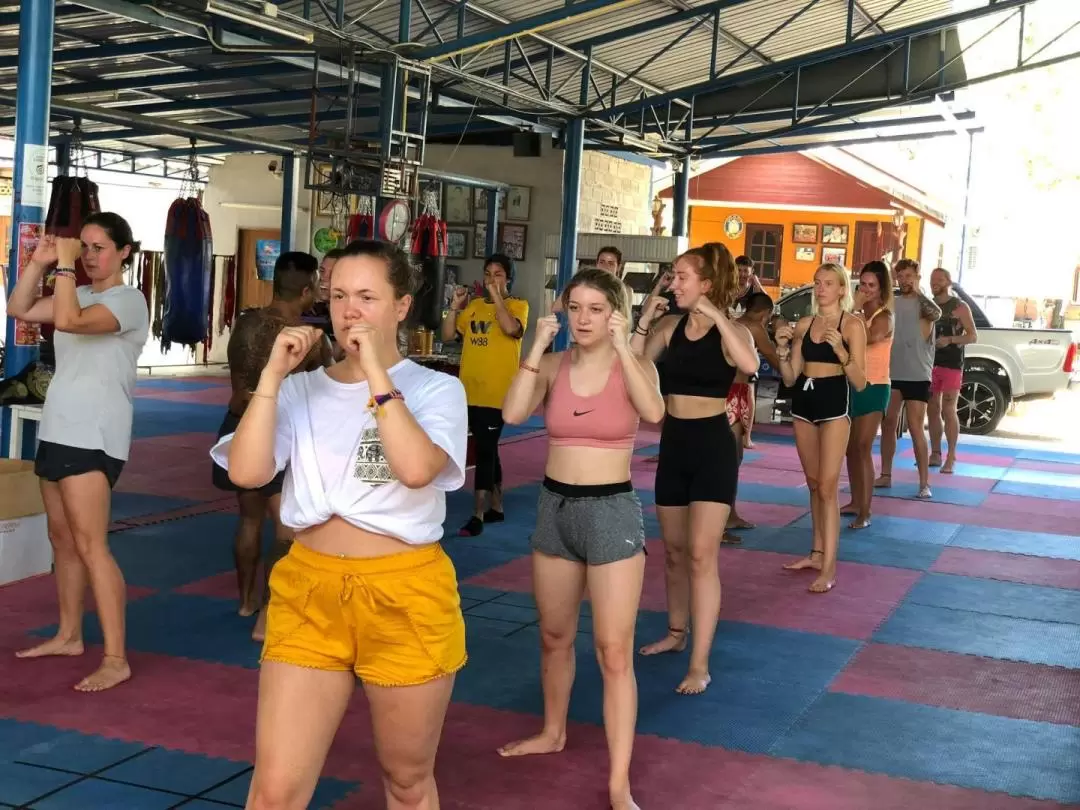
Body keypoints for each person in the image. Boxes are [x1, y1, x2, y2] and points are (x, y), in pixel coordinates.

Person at [210, 239, 469, 810]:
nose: (350, 310)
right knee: (274, 791)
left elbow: (417, 468)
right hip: (309, 589)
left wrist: (376, 369)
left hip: (405, 593)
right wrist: (273, 377)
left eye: (368, 297)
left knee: (405, 781)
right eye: (340, 296)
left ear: (401, 307)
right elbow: (248, 474)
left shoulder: (436, 389)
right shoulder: (301, 389)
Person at [497, 268, 664, 810]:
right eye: (576, 308)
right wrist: (536, 342)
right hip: (555, 508)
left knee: (614, 652)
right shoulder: (551, 363)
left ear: (614, 312)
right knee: (553, 636)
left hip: (612, 510)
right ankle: (552, 730)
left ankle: (619, 783)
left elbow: (656, 413)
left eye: (596, 308)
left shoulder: (632, 366)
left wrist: (625, 343)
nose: (584, 319)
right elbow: (513, 412)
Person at [7, 214, 149, 692]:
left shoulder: (129, 301)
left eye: (99, 247)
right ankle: (69, 635)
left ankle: (116, 656)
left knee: (91, 545)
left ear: (124, 251)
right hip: (58, 428)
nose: (89, 255)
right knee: (62, 540)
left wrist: (64, 268)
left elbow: (68, 321)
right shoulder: (81, 292)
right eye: (83, 247)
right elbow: (18, 307)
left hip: (94, 435)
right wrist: (40, 261)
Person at [630, 244, 759, 694]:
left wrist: (716, 314)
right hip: (675, 444)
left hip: (713, 447)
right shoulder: (669, 326)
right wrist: (645, 316)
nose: (674, 282)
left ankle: (700, 663)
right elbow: (633, 362)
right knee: (674, 553)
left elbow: (751, 365)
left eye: (682, 276)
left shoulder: (732, 332)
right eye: (673, 275)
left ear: (705, 284)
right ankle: (676, 632)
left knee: (703, 557)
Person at [213, 251, 332, 641]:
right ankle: (269, 611)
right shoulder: (309, 339)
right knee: (286, 530)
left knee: (248, 520)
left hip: (238, 424)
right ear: (308, 288)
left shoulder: (244, 323)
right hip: (278, 431)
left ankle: (246, 600)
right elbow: (328, 390)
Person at [774, 263, 866, 593]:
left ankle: (829, 567)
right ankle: (816, 553)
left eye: (828, 283)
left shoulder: (852, 324)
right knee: (814, 484)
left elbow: (859, 381)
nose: (821, 288)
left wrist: (841, 351)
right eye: (817, 282)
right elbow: (789, 376)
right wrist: (782, 349)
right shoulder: (804, 323)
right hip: (804, 403)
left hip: (833, 406)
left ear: (842, 289)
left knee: (828, 487)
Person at [439, 253, 528, 537]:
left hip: (498, 393)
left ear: (509, 278)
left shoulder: (518, 306)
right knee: (488, 445)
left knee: (486, 449)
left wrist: (497, 298)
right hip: (469, 391)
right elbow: (449, 335)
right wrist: (453, 308)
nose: (492, 279)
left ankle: (477, 513)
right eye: (488, 273)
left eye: (498, 274)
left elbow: (510, 328)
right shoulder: (475, 306)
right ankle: (497, 506)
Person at [874, 259, 941, 499]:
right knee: (888, 422)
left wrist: (918, 291)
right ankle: (886, 474)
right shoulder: (892, 302)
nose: (904, 280)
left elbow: (936, 313)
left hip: (917, 374)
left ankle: (924, 483)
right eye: (900, 276)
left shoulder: (926, 306)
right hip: (892, 372)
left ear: (917, 277)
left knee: (914, 426)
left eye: (909, 276)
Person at [842, 261, 894, 530]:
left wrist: (855, 310)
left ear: (881, 288)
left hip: (875, 386)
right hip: (853, 383)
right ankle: (855, 501)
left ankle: (866, 511)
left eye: (871, 285)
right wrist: (854, 310)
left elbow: (870, 338)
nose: (866, 289)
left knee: (863, 447)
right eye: (862, 284)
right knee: (851, 449)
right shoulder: (856, 315)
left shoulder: (884, 316)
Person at [727, 292, 781, 538]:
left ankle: (728, 514)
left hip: (723, 392)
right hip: (735, 393)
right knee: (730, 457)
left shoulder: (732, 324)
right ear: (765, 314)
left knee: (728, 456)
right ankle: (726, 516)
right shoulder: (754, 329)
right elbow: (773, 357)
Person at [928, 268, 977, 474]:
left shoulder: (959, 306)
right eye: (932, 280)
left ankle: (951, 456)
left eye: (939, 279)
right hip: (929, 363)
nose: (935, 283)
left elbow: (972, 336)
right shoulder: (927, 305)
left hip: (952, 364)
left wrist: (950, 340)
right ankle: (936, 452)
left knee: (948, 409)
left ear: (949, 282)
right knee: (932, 409)